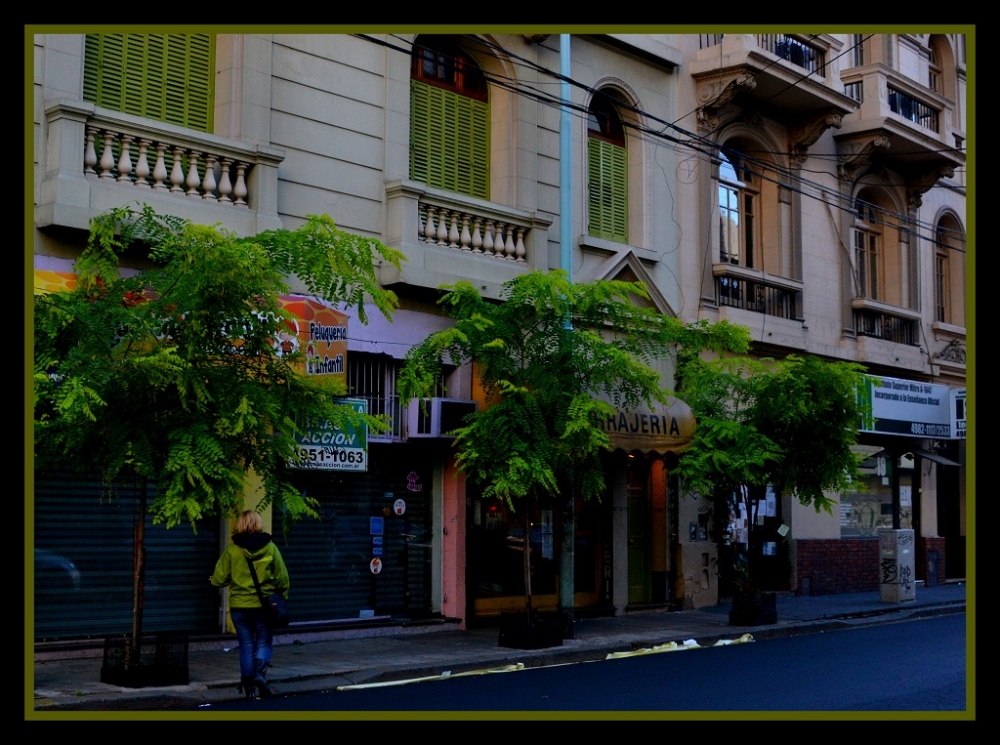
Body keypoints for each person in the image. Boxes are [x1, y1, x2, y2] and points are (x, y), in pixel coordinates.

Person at [211, 509, 290, 699]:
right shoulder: (270, 548)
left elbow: (219, 579)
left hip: (239, 607)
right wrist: (280, 598)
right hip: (264, 607)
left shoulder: (232, 550)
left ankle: (247, 686)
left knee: (246, 645)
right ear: (258, 524)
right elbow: (283, 578)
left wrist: (212, 579)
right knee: (264, 641)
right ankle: (259, 675)